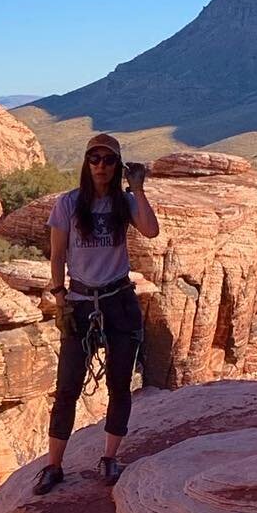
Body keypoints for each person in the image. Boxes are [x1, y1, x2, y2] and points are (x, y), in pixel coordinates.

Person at [33, 132, 160, 494]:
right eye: (95, 159)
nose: (101, 166)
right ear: (86, 164)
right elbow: (57, 256)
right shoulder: (69, 204)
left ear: (117, 166)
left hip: (118, 300)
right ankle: (54, 466)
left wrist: (138, 189)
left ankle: (109, 458)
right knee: (67, 389)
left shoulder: (124, 202)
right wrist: (60, 298)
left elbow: (151, 231)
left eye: (108, 160)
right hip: (82, 301)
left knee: (119, 386)